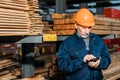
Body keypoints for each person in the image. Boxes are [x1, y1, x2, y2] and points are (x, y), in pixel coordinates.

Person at [56, 8, 111, 80]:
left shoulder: (98, 40)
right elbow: (62, 66)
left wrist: (99, 63)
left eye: (89, 28)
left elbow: (107, 58)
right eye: (84, 27)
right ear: (76, 25)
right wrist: (82, 61)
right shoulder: (67, 44)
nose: (87, 31)